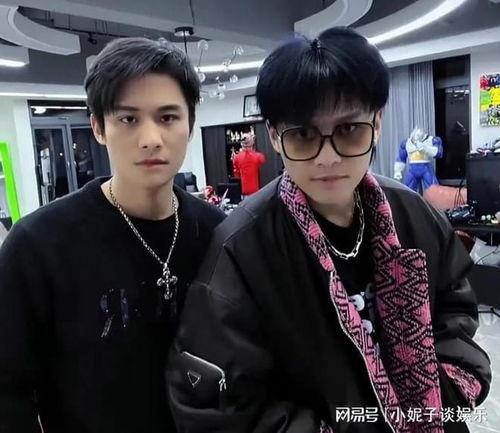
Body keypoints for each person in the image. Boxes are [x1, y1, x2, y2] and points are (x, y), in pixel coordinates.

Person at [167, 27, 491, 433]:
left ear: (377, 122)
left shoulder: (411, 213)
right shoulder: (242, 248)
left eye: (348, 130)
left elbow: (455, 308)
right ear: (274, 136)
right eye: (303, 135)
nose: (327, 158)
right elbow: (218, 406)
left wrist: (447, 387)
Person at [0, 37, 225, 433]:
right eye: (128, 119)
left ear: (190, 125)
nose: (151, 138)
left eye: (168, 117)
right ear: (98, 127)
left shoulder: (218, 234)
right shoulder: (39, 245)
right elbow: (8, 391)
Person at [393, 127, 443, 194]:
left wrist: (425, 148)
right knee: (408, 190)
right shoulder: (407, 143)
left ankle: (434, 200)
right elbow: (401, 157)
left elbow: (439, 153)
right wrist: (398, 170)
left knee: (433, 189)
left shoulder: (431, 140)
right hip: (413, 169)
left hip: (426, 168)